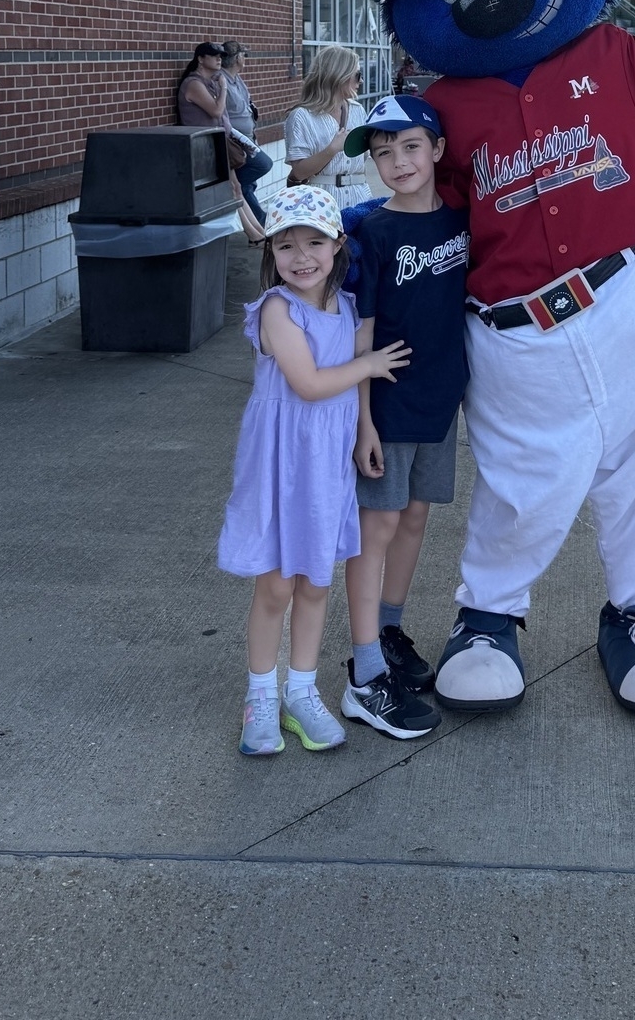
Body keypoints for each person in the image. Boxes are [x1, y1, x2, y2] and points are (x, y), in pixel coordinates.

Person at [217, 187, 414, 756]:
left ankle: (301, 691)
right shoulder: (278, 310)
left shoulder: (347, 308)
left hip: (324, 465)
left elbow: (349, 395)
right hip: (281, 463)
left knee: (315, 581)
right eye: (285, 245)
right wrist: (369, 364)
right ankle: (260, 696)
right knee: (277, 583)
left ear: (337, 245)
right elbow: (306, 384)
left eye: (313, 242)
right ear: (270, 254)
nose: (300, 256)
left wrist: (363, 432)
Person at [341, 95, 469, 732]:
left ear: (439, 149)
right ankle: (364, 671)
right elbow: (360, 335)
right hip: (387, 404)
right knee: (379, 524)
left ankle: (389, 633)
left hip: (441, 398)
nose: (397, 161)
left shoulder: (462, 223)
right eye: (383, 153)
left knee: (415, 516)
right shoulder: (372, 232)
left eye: (410, 146)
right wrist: (363, 420)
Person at [177, 41, 263, 242]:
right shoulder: (194, 84)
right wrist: (223, 87)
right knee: (231, 190)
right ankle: (253, 234)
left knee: (236, 188)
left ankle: (258, 231)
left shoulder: (209, 82)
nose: (219, 59)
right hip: (203, 147)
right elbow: (216, 111)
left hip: (217, 143)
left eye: (221, 56)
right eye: (214, 55)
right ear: (200, 58)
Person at [284, 46, 373, 211]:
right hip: (320, 204)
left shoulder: (357, 110)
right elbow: (299, 172)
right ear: (339, 75)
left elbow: (364, 160)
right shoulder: (302, 116)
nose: (361, 81)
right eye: (357, 75)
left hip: (360, 198)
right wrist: (331, 149)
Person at [221, 41, 273, 225]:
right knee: (263, 165)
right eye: (243, 55)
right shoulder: (221, 80)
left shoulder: (237, 79)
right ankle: (258, 219)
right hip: (235, 142)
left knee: (249, 185)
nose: (245, 59)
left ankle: (256, 225)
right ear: (237, 58)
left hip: (249, 138)